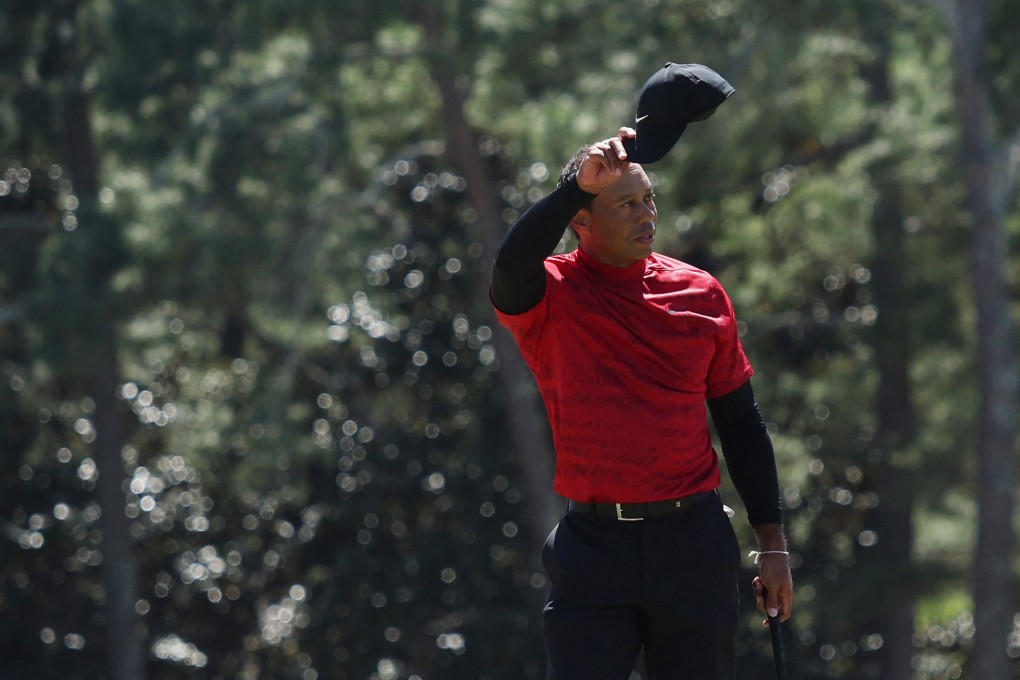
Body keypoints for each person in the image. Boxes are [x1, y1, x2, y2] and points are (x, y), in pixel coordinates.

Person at [489, 125, 793, 679]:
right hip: (592, 546)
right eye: (625, 204)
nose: (646, 213)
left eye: (649, 198)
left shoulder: (699, 292)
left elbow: (740, 423)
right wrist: (571, 189)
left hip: (692, 542)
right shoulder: (549, 294)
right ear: (580, 221)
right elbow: (509, 267)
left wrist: (773, 546)